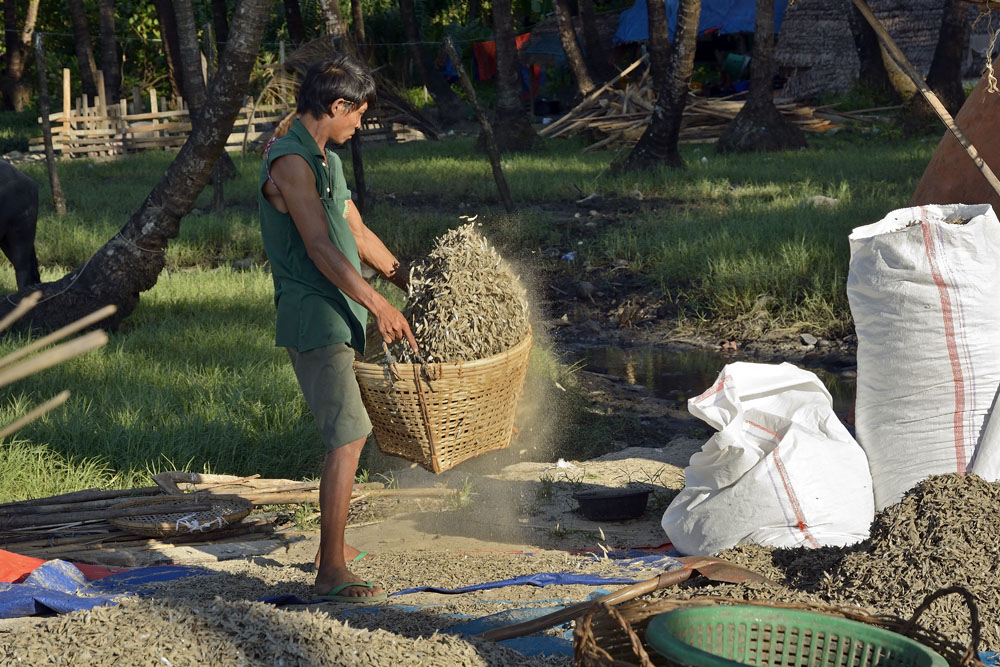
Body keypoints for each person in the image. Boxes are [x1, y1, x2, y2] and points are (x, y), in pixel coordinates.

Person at [258, 54, 417, 603]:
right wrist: (378, 304)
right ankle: (329, 570)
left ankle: (335, 550)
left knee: (350, 436)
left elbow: (356, 230)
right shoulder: (291, 162)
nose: (359, 126)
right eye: (358, 116)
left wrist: (410, 285)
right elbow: (319, 246)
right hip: (315, 316)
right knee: (348, 437)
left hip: (343, 311)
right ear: (337, 105)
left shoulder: (326, 160)